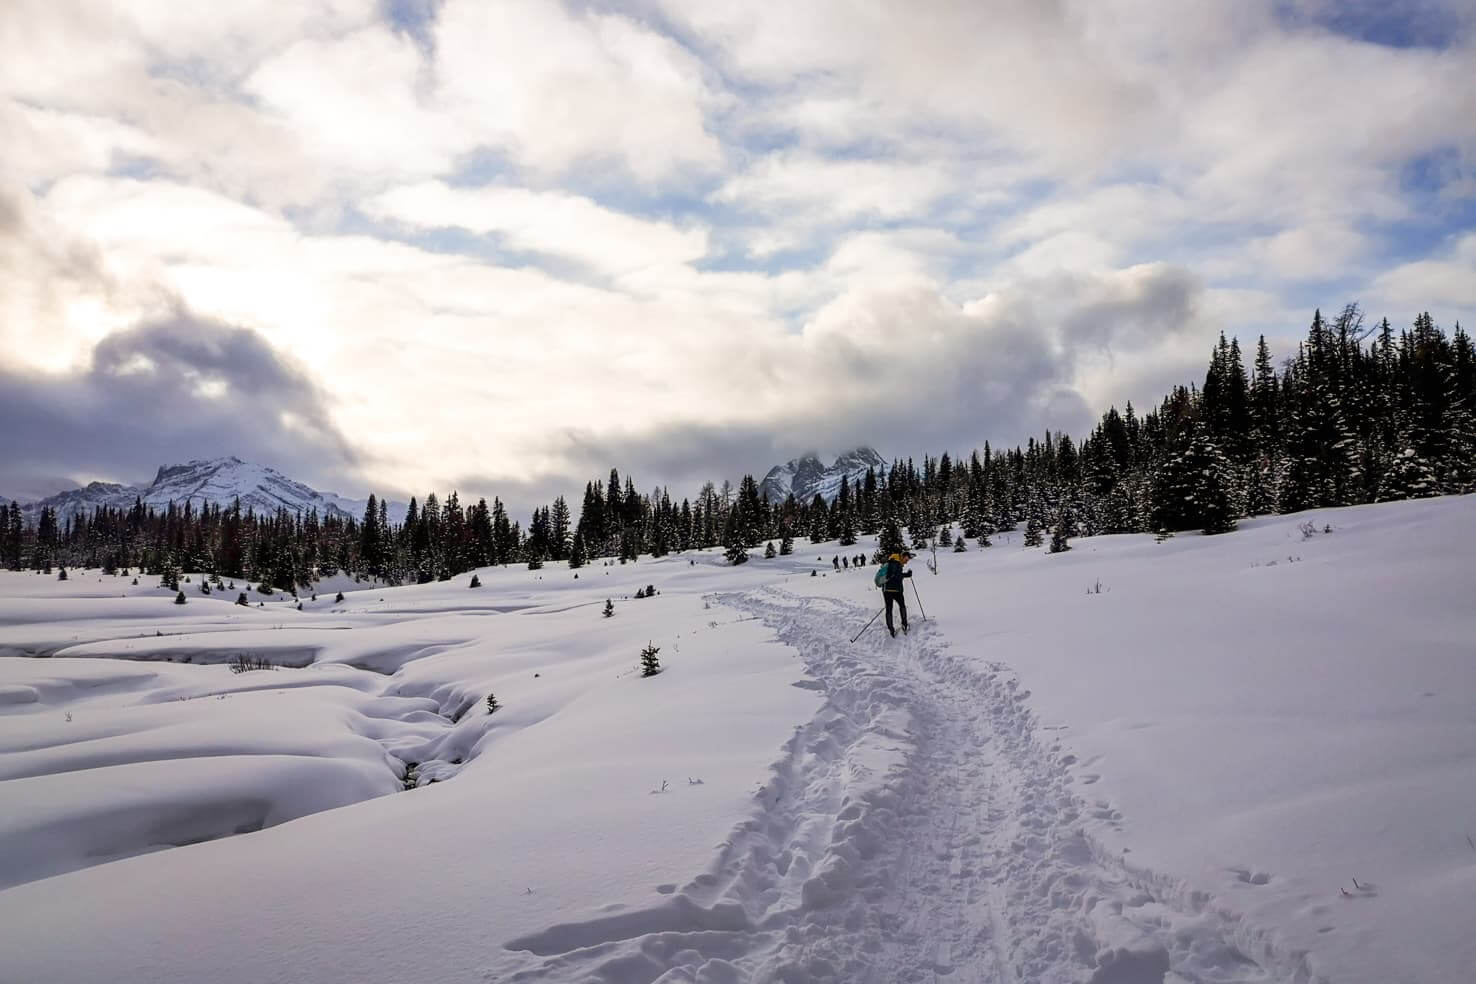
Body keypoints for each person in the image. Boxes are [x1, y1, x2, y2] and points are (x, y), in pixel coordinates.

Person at [881, 550, 913, 636]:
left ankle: (891, 629)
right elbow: (895, 576)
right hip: (893, 590)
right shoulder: (895, 562)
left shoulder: (894, 562)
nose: (906, 562)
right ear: (902, 556)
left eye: (907, 561)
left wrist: (905, 575)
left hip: (888, 590)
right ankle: (904, 624)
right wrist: (907, 575)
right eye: (906, 560)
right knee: (901, 606)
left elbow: (896, 575)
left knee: (890, 609)